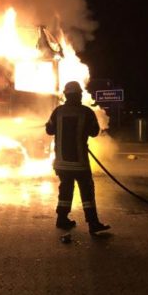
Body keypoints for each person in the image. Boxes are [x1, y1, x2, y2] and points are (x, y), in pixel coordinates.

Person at [45, 81, 110, 235]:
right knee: (87, 192)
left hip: (62, 162)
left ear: (66, 95)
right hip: (80, 163)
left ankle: (62, 219)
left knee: (65, 190)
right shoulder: (86, 112)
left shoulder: (58, 112)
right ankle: (93, 223)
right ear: (79, 95)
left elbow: (49, 130)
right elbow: (94, 132)